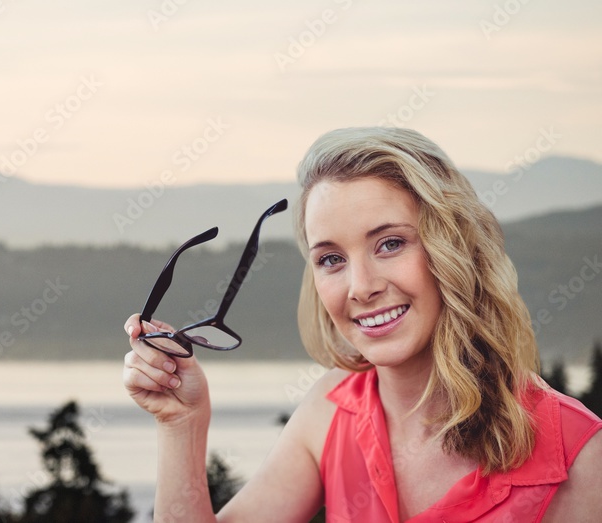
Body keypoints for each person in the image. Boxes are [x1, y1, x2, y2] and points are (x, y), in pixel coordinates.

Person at [121, 127, 602, 522]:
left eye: (390, 244)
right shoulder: (331, 413)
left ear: (453, 251)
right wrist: (181, 425)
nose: (361, 286)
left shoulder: (579, 455)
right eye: (331, 258)